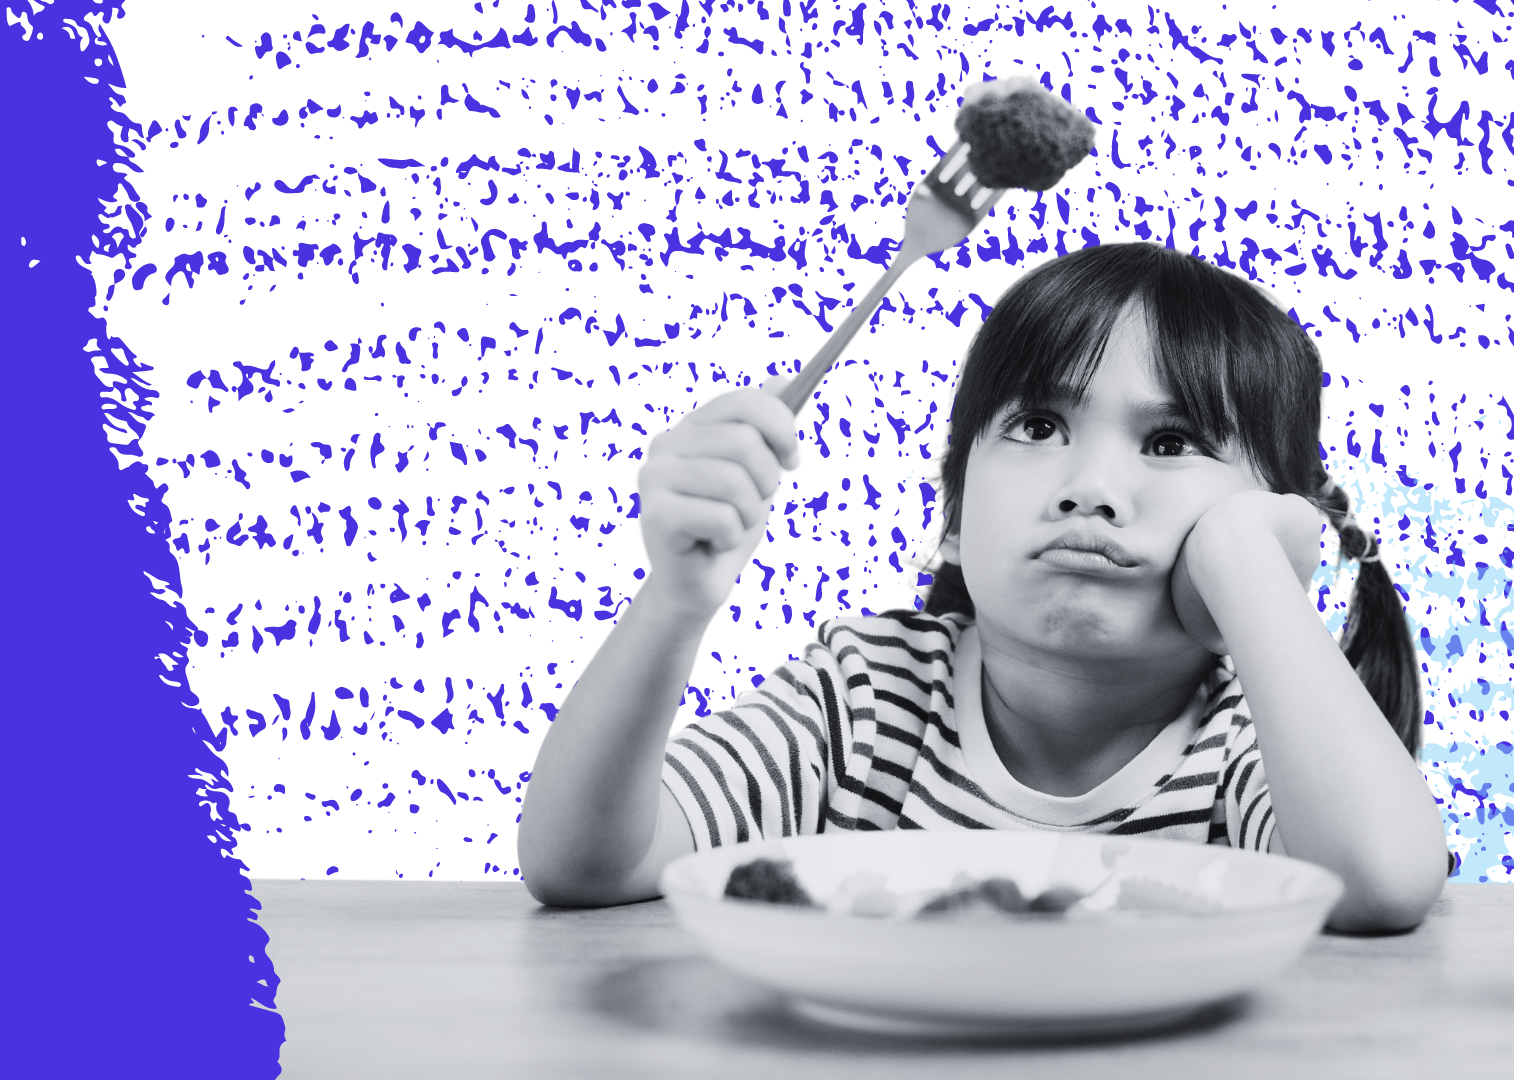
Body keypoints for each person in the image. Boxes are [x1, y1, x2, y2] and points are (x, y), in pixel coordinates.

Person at [518, 242, 1448, 931]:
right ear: (954, 514)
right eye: (1039, 426)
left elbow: (1379, 882)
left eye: (1171, 444)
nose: (1090, 486)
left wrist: (1255, 570)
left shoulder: (1256, 741)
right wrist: (674, 603)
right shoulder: (869, 699)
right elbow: (588, 863)